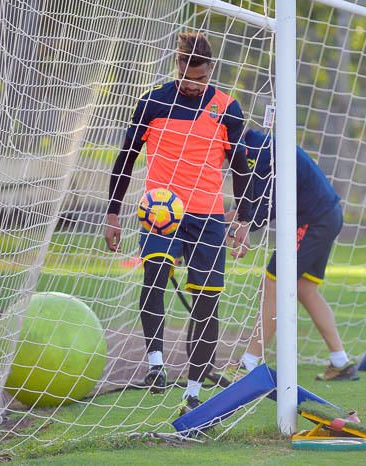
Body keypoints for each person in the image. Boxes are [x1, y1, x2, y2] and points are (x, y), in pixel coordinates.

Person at [104, 32, 252, 414]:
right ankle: (155, 365)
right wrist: (113, 212)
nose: (193, 84)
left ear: (211, 71)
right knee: (154, 279)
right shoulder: (152, 102)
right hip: (161, 214)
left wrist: (243, 221)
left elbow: (239, 167)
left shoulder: (227, 108)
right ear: (177, 65)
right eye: (187, 75)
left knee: (207, 302)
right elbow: (126, 157)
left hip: (208, 218)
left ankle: (193, 392)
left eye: (201, 78)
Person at [215, 129, 358, 385]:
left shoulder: (254, 151)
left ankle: (247, 365)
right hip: (326, 215)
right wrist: (236, 218)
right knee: (304, 289)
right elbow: (254, 198)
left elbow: (269, 201)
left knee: (274, 283)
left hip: (313, 220)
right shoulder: (256, 147)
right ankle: (341, 362)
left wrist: (244, 226)